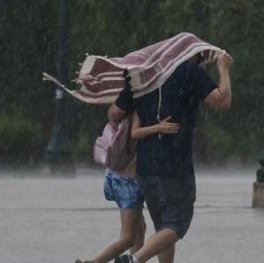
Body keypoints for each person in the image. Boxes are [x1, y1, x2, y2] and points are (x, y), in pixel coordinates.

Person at [107, 50, 233, 263]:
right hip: (175, 167)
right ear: (189, 55)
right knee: (176, 225)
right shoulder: (189, 72)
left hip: (145, 169)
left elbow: (114, 113)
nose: (200, 62)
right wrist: (223, 68)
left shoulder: (143, 76)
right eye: (199, 57)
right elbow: (223, 102)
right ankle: (135, 260)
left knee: (162, 230)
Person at [77, 77, 181, 263]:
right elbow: (135, 133)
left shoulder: (119, 106)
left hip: (115, 176)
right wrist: (159, 127)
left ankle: (132, 260)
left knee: (138, 228)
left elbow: (116, 117)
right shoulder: (139, 105)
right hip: (130, 181)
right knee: (133, 236)